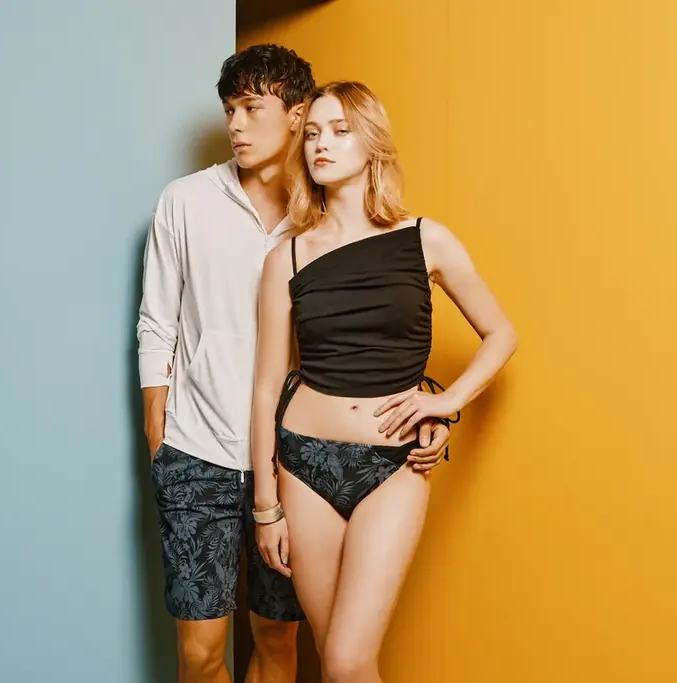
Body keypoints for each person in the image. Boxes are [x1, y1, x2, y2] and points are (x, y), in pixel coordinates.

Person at [137, 49, 453, 683]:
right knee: (199, 655)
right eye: (229, 110)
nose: (235, 125)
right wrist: (158, 436)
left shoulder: (328, 219)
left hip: (294, 462)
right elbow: (156, 325)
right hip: (198, 454)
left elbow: (365, 337)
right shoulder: (186, 200)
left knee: (280, 643)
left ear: (295, 114)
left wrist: (429, 403)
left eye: (252, 108)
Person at [249, 80, 518, 683]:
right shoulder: (285, 257)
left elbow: (500, 333)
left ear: (371, 142)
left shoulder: (425, 238)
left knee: (349, 661)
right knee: (333, 660)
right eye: (311, 133)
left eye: (340, 130)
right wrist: (266, 508)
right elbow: (267, 387)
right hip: (303, 466)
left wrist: (446, 402)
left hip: (393, 464)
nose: (321, 144)